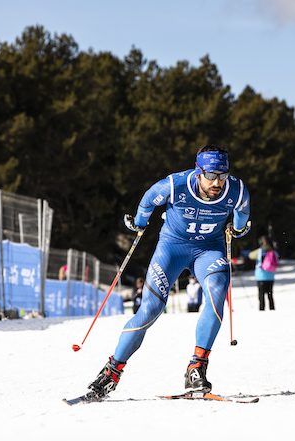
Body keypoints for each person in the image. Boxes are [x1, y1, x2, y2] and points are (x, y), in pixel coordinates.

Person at [85, 145, 251, 401]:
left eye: (222, 175)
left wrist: (237, 228)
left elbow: (242, 211)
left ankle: (196, 367)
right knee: (150, 310)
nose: (217, 182)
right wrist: (139, 223)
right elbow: (149, 199)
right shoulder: (176, 184)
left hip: (209, 250)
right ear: (198, 172)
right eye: (211, 175)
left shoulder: (236, 190)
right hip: (172, 248)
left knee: (217, 291)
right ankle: (112, 371)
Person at [249, 236, 278, 311]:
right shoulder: (273, 252)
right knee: (270, 294)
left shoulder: (259, 251)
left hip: (261, 276)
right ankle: (272, 308)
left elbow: (250, 255)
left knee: (261, 294)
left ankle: (262, 308)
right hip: (271, 275)